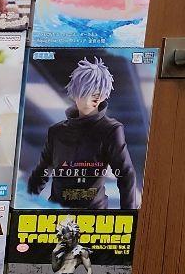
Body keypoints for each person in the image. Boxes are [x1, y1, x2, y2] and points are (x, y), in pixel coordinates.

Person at [27, 57, 138, 210]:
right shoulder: (56, 132)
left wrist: (129, 216)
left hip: (94, 214)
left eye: (99, 92)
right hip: (56, 214)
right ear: (75, 93)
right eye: (87, 91)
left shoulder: (111, 130)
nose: (95, 97)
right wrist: (24, 205)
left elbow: (126, 174)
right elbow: (41, 173)